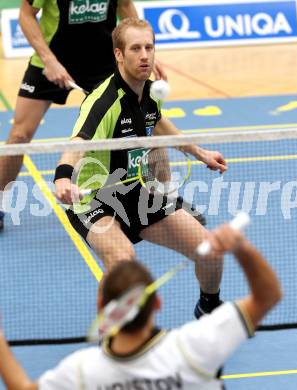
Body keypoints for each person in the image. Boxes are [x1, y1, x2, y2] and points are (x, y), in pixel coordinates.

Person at [54, 17, 228, 318]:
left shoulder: (147, 91)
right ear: (119, 54)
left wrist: (200, 153)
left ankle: (208, 306)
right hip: (95, 199)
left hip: (136, 194)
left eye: (149, 47)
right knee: (124, 262)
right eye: (136, 48)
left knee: (210, 250)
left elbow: (158, 123)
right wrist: (62, 178)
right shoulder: (104, 101)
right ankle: (111, 325)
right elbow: (77, 142)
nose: (145, 55)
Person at [0, 220, 282, 389]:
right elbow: (268, 296)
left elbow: (21, 387)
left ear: (102, 306)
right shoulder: (194, 347)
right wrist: (241, 247)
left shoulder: (82, 371)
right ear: (157, 302)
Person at [0, 0, 169, 231]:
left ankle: (156, 198)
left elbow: (126, 7)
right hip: (52, 59)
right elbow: (26, 15)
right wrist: (49, 60)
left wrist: (144, 52)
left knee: (146, 121)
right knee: (19, 135)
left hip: (102, 64)